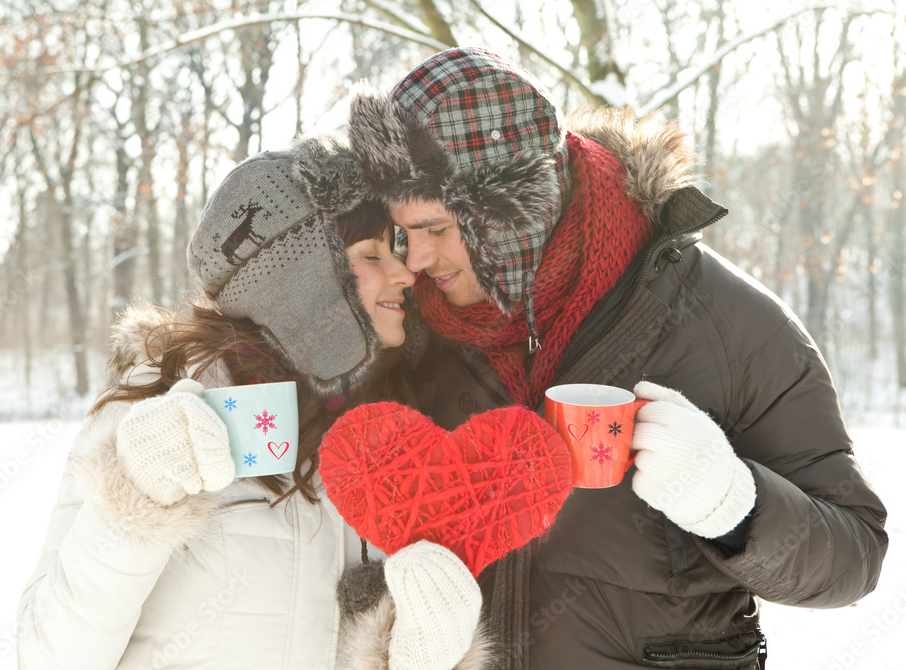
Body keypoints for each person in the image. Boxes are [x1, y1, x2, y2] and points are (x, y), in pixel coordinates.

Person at [346, 47, 888, 669]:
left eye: (437, 230)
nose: (413, 260)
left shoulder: (726, 324)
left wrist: (733, 504)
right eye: (400, 232)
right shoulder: (406, 332)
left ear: (514, 218)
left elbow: (854, 557)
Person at [15, 140, 491, 670]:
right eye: (373, 255)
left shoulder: (393, 432)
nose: (405, 274)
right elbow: (48, 656)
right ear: (303, 281)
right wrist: (135, 502)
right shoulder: (160, 403)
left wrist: (421, 652)